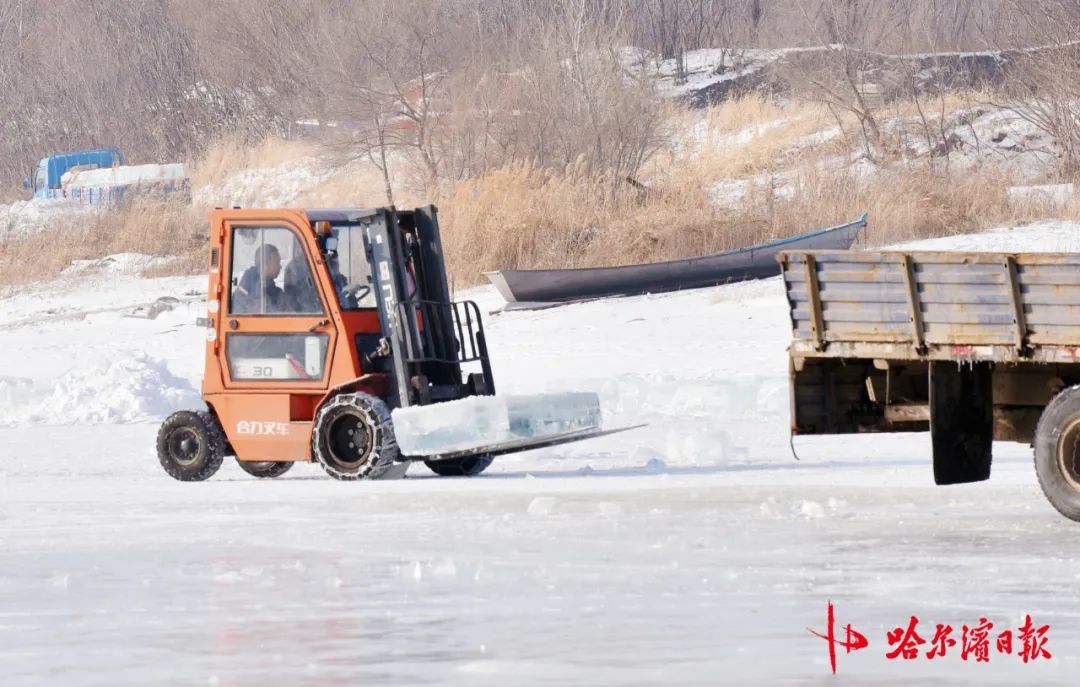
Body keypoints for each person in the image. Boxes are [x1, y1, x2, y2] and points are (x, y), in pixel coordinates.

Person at [233, 244, 284, 313]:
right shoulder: (251, 289)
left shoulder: (270, 287)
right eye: (277, 262)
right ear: (265, 265)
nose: (280, 267)